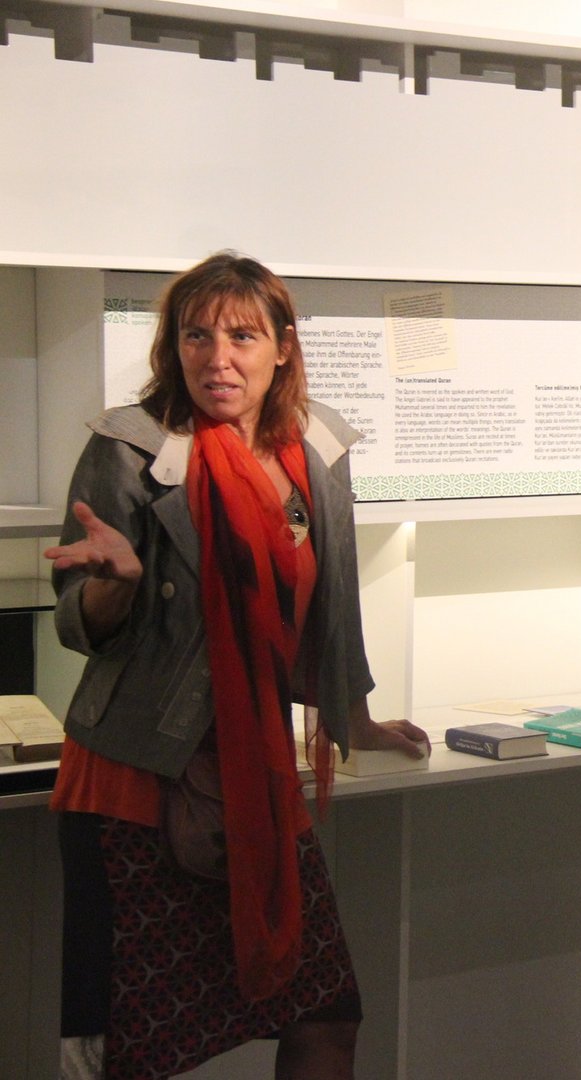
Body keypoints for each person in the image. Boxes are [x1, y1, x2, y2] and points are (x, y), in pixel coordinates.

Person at [44, 252, 429, 1080]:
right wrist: (116, 586)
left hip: (255, 773)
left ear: (282, 347)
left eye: (242, 337)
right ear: (172, 347)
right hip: (135, 784)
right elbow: (78, 622)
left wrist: (352, 716)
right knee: (126, 1050)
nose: (218, 358)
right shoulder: (131, 449)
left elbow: (333, 598)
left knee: (325, 1012)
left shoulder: (316, 445)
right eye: (197, 336)